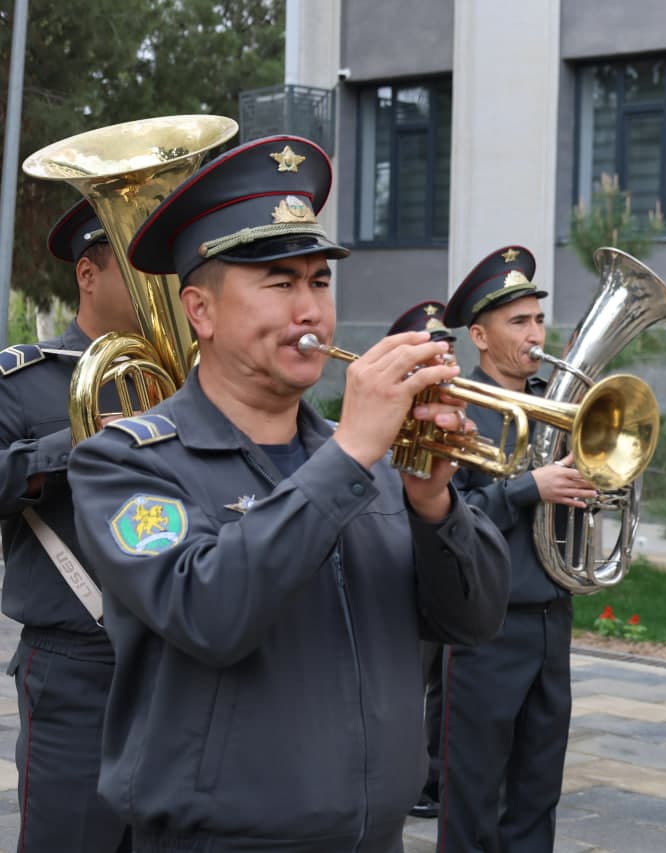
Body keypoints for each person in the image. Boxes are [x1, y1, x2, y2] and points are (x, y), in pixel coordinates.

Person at [66, 135, 510, 852]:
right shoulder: (125, 462)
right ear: (201, 311)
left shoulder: (362, 457)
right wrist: (350, 453)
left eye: (320, 282)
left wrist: (435, 505)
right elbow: (209, 612)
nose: (311, 310)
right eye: (279, 283)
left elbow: (476, 620)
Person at [435, 246, 592, 853]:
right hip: (485, 625)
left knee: (537, 791)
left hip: (552, 617)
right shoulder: (455, 406)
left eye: (538, 320)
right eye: (518, 322)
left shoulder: (556, 403)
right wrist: (531, 488)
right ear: (479, 336)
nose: (535, 335)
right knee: (473, 795)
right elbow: (445, 515)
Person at [0, 200, 136, 852]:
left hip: (185, 655)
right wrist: (73, 445)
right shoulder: (25, 378)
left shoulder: (198, 377)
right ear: (88, 274)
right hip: (78, 663)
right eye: (142, 269)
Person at [385, 299, 456, 824]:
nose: (444, 365)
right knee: (402, 685)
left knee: (436, 683)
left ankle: (423, 773)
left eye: (448, 355)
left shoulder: (452, 415)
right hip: (395, 570)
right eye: (432, 358)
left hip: (434, 570)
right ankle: (404, 776)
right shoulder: (385, 418)